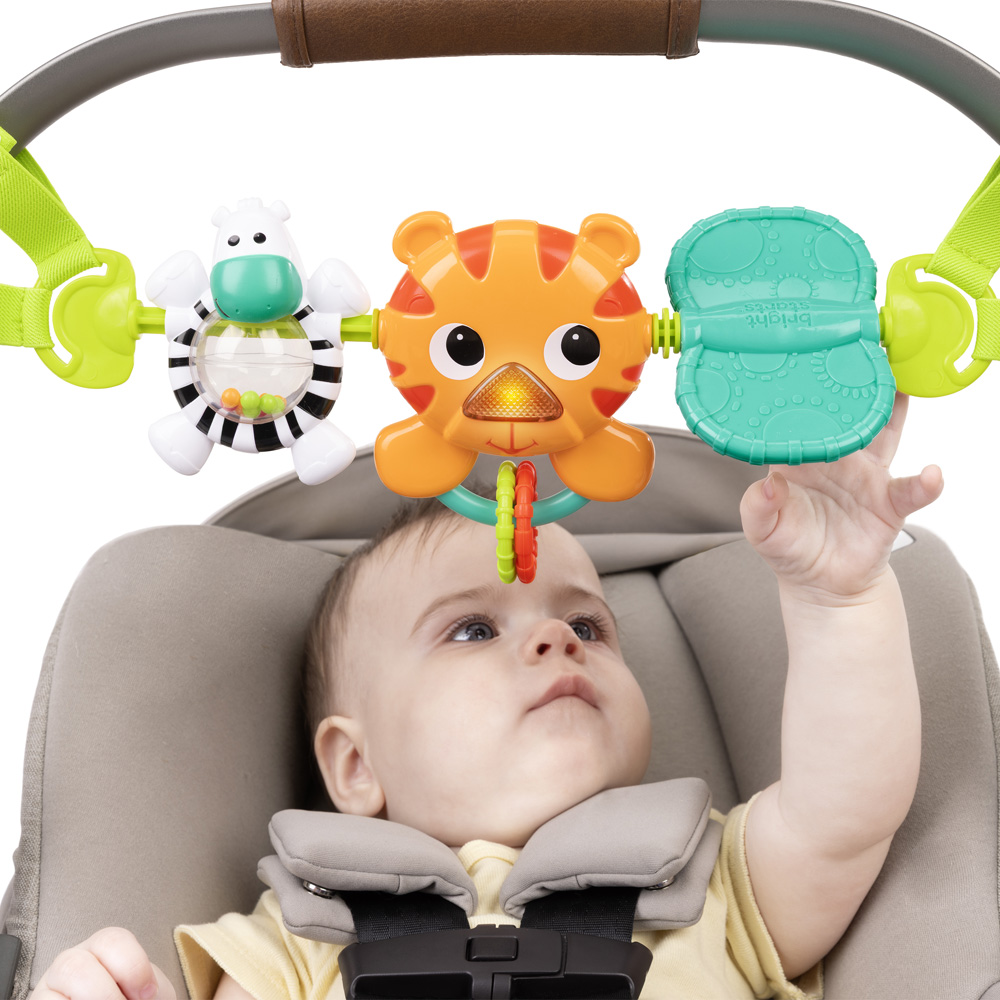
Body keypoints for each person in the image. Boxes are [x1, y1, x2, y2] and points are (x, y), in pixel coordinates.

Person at [28, 392, 943, 1000]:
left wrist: (838, 596)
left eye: (588, 625)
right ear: (355, 764)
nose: (555, 638)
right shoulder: (297, 939)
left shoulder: (715, 885)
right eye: (472, 630)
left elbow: (847, 809)